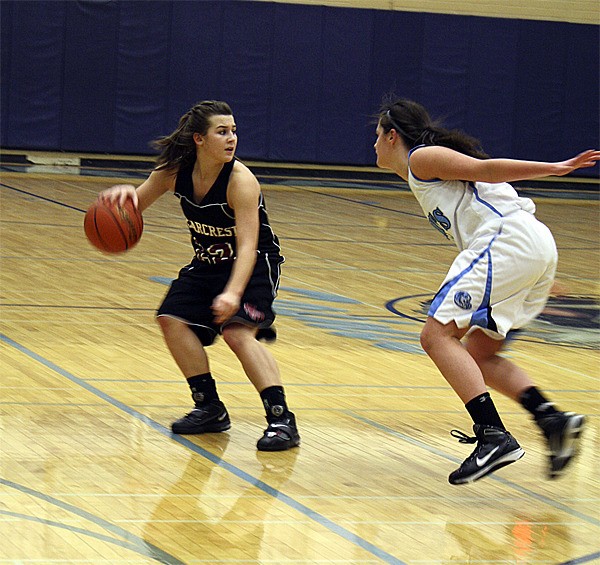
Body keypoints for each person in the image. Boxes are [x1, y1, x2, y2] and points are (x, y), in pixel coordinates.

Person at [374, 97, 599, 485]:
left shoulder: (422, 158)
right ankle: (552, 419)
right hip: (528, 248)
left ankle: (493, 435)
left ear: (393, 136)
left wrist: (555, 168)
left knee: (435, 335)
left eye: (377, 135)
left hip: (510, 240)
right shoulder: (421, 174)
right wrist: (532, 271)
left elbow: (487, 170)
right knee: (477, 354)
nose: (373, 144)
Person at [100, 100, 300, 451]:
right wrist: (123, 197)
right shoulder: (175, 172)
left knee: (238, 333)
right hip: (208, 261)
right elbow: (137, 202)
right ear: (199, 139)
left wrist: (233, 294)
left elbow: (249, 245)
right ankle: (209, 408)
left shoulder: (241, 181)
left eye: (234, 131)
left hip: (253, 264)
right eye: (222, 132)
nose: (232, 138)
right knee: (170, 319)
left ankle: (281, 420)